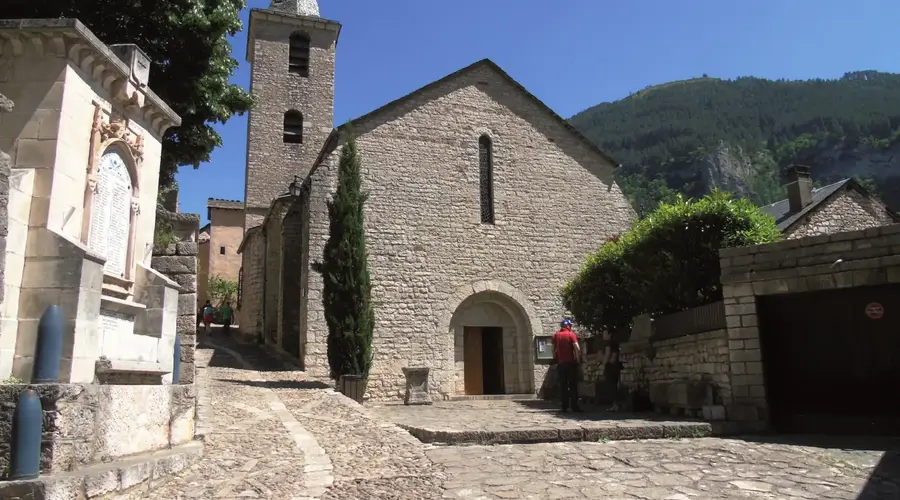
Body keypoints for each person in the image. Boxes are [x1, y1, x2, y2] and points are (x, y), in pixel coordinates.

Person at [552, 318, 582, 412]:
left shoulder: (556, 335)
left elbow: (553, 349)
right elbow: (577, 348)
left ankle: (564, 406)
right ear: (568, 326)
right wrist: (578, 359)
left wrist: (556, 358)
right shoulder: (571, 334)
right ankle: (574, 406)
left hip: (561, 364)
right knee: (573, 385)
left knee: (563, 386)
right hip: (570, 363)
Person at [602, 330, 623, 411]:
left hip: (610, 368)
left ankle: (616, 405)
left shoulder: (608, 343)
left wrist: (604, 363)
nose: (603, 336)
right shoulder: (615, 343)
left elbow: (608, 354)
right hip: (616, 367)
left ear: (609, 335)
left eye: (604, 334)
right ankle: (615, 405)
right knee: (615, 385)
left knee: (612, 386)